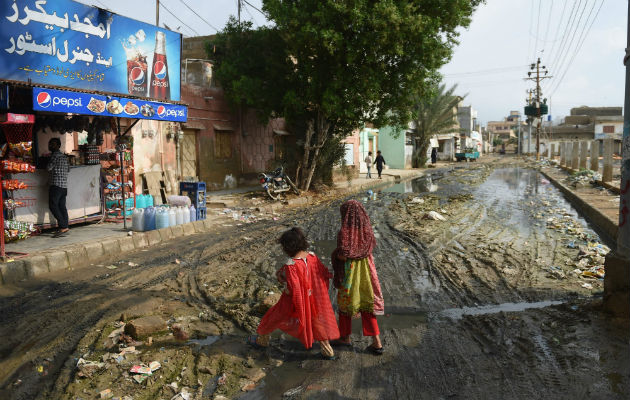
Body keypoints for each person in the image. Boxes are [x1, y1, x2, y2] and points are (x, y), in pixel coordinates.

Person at [250, 227, 340, 359]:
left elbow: (293, 288)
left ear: (288, 247)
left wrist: (284, 282)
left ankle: (261, 342)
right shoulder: (312, 256)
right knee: (316, 323)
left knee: (271, 318)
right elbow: (323, 275)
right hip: (312, 298)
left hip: (293, 300)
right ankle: (328, 351)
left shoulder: (291, 264)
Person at [331, 200, 384, 355]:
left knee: (346, 305)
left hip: (350, 274)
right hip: (367, 273)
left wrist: (335, 254)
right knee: (367, 305)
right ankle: (377, 343)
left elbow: (343, 256)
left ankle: (345, 338)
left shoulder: (345, 233)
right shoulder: (367, 231)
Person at [47, 138, 69, 237]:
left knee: (53, 205)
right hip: (64, 186)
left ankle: (63, 226)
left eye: (53, 144)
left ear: (58, 146)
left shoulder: (54, 156)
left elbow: (49, 168)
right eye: (50, 144)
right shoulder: (64, 157)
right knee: (62, 206)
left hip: (56, 184)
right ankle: (65, 226)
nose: (50, 146)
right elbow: (68, 169)